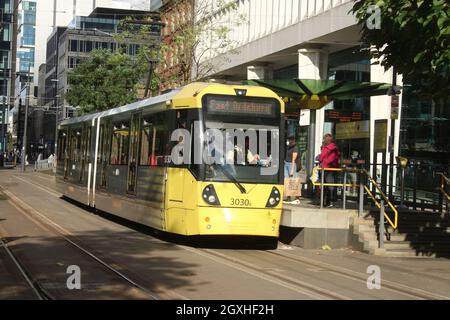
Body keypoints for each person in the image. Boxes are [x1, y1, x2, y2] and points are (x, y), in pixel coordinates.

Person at [319, 134, 341, 207]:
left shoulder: (326, 148)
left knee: (326, 185)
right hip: (334, 168)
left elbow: (321, 158)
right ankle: (331, 201)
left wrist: (322, 149)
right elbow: (338, 157)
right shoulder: (335, 148)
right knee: (332, 185)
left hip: (326, 168)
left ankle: (326, 202)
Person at [284, 136, 300, 204]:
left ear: (292, 141)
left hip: (291, 164)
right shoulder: (288, 147)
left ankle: (297, 196)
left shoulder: (295, 148)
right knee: (287, 180)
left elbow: (293, 160)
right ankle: (288, 196)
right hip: (286, 163)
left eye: (289, 140)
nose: (288, 141)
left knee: (293, 180)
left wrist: (292, 170)